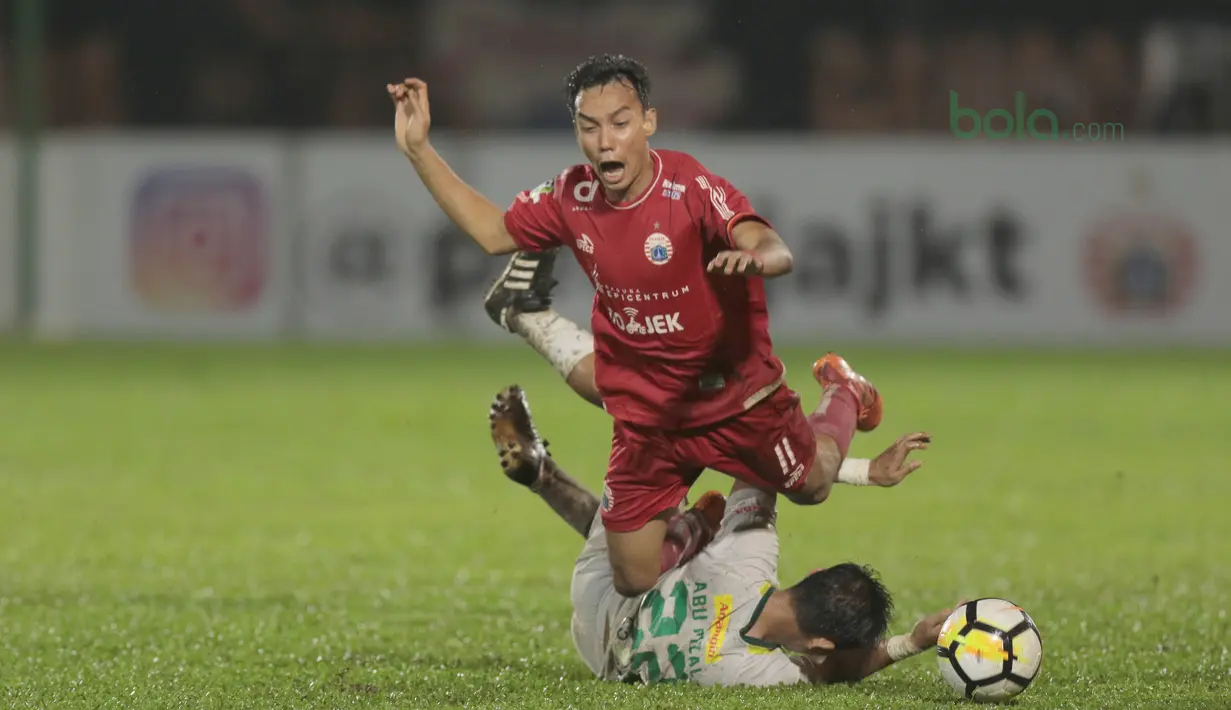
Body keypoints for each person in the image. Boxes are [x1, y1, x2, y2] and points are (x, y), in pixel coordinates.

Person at [388, 54, 883, 597]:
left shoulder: (689, 188)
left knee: (813, 485)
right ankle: (698, 522)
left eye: (620, 124)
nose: (605, 142)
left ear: (648, 121)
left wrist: (756, 257)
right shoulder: (572, 196)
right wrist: (418, 150)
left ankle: (843, 391)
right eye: (589, 126)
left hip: (734, 400)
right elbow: (491, 232)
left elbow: (773, 245)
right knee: (633, 577)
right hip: (650, 415)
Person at [488, 384, 950, 686]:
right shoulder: (759, 673)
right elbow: (836, 672)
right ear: (819, 645)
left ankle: (677, 527)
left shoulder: (751, 555)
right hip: (600, 650)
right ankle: (544, 474)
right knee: (670, 538)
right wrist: (910, 643)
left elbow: (774, 462)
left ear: (814, 574)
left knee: (686, 510)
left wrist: (861, 469)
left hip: (606, 586)